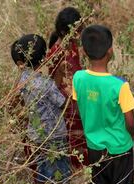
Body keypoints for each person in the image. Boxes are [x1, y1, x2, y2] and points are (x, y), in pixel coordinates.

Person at [72, 25, 134, 184]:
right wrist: (130, 138)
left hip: (94, 147)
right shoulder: (120, 86)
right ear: (110, 51)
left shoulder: (78, 78)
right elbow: (131, 122)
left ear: (84, 51)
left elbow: (79, 105)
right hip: (120, 149)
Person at [11, 34, 72, 184]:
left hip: (36, 135)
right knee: (58, 171)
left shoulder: (23, 79)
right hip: (53, 135)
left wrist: (58, 74)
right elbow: (62, 104)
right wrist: (72, 95)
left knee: (42, 167)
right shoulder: (46, 84)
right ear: (44, 57)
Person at [47, 6, 88, 168]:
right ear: (65, 32)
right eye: (77, 31)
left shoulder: (71, 46)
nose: (80, 35)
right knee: (74, 140)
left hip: (76, 98)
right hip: (67, 104)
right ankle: (78, 173)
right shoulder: (56, 52)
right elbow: (55, 84)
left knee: (81, 138)